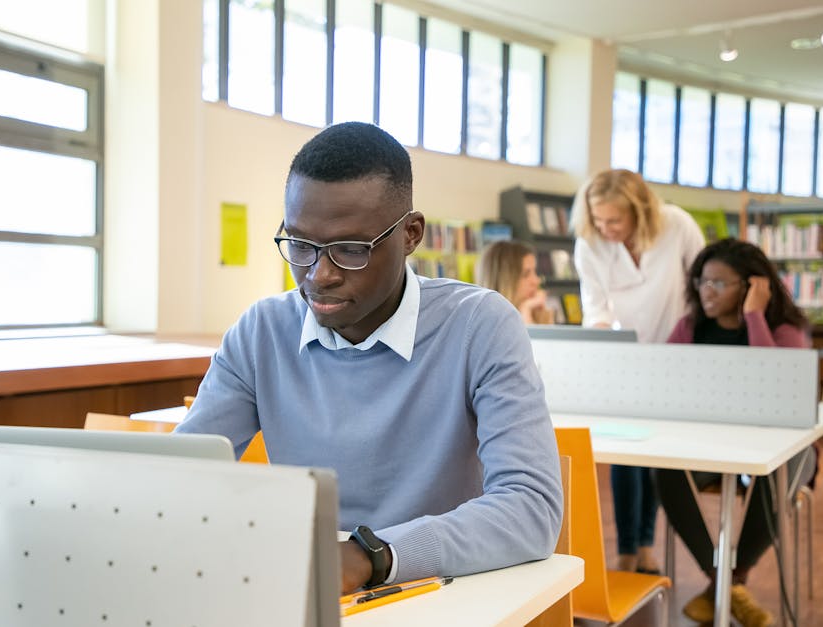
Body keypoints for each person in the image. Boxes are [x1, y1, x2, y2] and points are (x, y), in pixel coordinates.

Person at [175, 122, 563, 594]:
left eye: (350, 250)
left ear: (410, 234)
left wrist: (369, 557)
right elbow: (183, 477)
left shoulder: (480, 326)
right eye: (299, 245)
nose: (319, 275)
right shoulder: (261, 331)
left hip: (446, 595)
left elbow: (531, 508)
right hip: (307, 591)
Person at [654, 238, 814, 627]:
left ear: (752, 286)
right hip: (708, 448)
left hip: (782, 449)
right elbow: (662, 378)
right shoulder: (690, 327)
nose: (706, 291)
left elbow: (778, 390)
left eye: (719, 283)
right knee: (665, 469)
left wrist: (755, 317)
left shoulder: (784, 330)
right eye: (701, 281)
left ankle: (725, 585)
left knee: (776, 471)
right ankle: (728, 584)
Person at [571, 168, 706, 574]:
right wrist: (601, 352)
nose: (605, 228)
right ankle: (628, 549)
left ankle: (647, 545)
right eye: (598, 219)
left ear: (640, 213)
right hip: (624, 363)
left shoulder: (677, 225)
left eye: (615, 220)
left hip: (676, 358)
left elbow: (704, 284)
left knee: (657, 457)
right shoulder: (590, 245)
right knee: (627, 458)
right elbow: (596, 311)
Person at [476, 240, 555, 324]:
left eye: (535, 272)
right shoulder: (487, 326)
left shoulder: (538, 313)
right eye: (526, 274)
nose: (536, 281)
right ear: (504, 281)